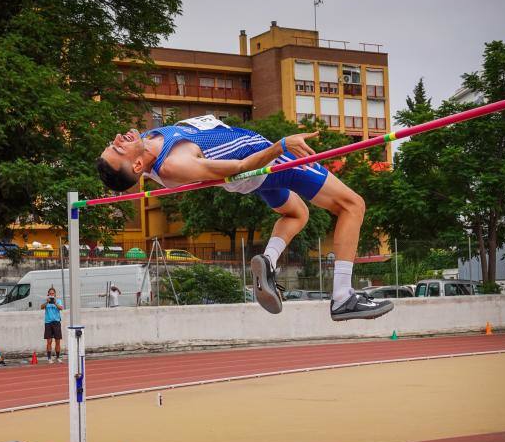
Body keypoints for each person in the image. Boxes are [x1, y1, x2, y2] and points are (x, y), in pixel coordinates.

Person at [96, 115, 393, 321]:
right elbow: (237, 168)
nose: (118, 139)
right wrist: (280, 146)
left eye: (113, 144)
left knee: (296, 213)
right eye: (118, 149)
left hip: (258, 172)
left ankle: (268, 261)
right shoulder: (174, 165)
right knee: (352, 205)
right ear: (136, 165)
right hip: (269, 161)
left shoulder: (147, 141)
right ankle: (342, 296)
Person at [40, 287, 64, 363]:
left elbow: (61, 308)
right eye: (50, 293)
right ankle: (49, 358)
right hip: (48, 323)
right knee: (49, 341)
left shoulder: (58, 300)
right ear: (48, 294)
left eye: (53, 293)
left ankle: (57, 357)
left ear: (55, 294)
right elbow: (41, 307)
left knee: (58, 341)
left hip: (56, 322)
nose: (51, 295)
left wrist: (55, 303)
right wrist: (47, 302)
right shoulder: (46, 301)